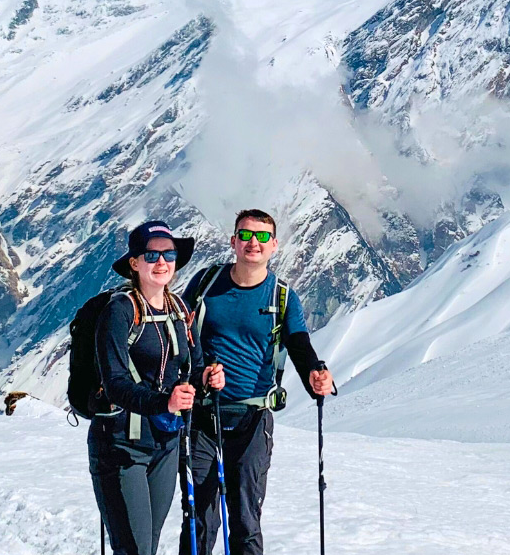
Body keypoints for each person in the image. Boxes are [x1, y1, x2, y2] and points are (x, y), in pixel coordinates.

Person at [180, 209, 335, 555]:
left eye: (262, 236)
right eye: (246, 235)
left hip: (253, 420)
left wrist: (314, 373)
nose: (254, 242)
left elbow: (298, 342)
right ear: (233, 241)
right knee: (199, 520)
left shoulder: (282, 297)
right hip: (205, 417)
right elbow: (184, 338)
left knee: (246, 521)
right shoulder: (206, 284)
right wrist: (201, 374)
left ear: (274, 245)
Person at [91, 220, 226, 555]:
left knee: (147, 544)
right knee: (135, 549)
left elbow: (192, 370)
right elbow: (115, 383)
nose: (162, 262)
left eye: (169, 254)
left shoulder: (180, 310)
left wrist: (208, 379)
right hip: (121, 445)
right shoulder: (119, 311)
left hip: (165, 445)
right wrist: (164, 403)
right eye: (151, 255)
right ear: (134, 263)